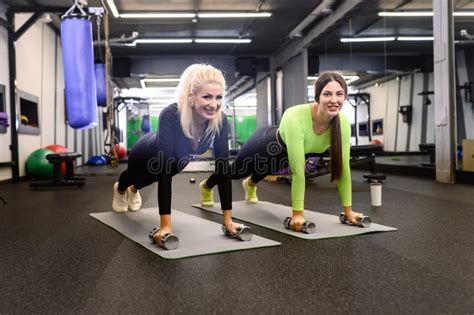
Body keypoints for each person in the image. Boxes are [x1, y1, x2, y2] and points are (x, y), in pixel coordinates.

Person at [200, 71, 364, 232]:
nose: (334, 100)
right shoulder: (296, 116)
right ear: (317, 96)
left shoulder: (342, 123)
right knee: (236, 172)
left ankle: (250, 184)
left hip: (283, 156)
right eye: (327, 94)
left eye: (339, 94)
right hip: (264, 144)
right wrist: (297, 214)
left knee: (269, 168)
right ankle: (206, 186)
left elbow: (343, 168)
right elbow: (298, 172)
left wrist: (348, 211)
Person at [112, 64, 250, 249]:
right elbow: (164, 172)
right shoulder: (171, 114)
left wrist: (228, 221)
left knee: (155, 176)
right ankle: (121, 190)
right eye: (207, 96)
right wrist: (166, 227)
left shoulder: (220, 120)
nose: (214, 104)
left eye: (218, 97)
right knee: (135, 176)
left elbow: (223, 169)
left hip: (179, 159)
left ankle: (134, 189)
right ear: (191, 97)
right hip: (145, 153)